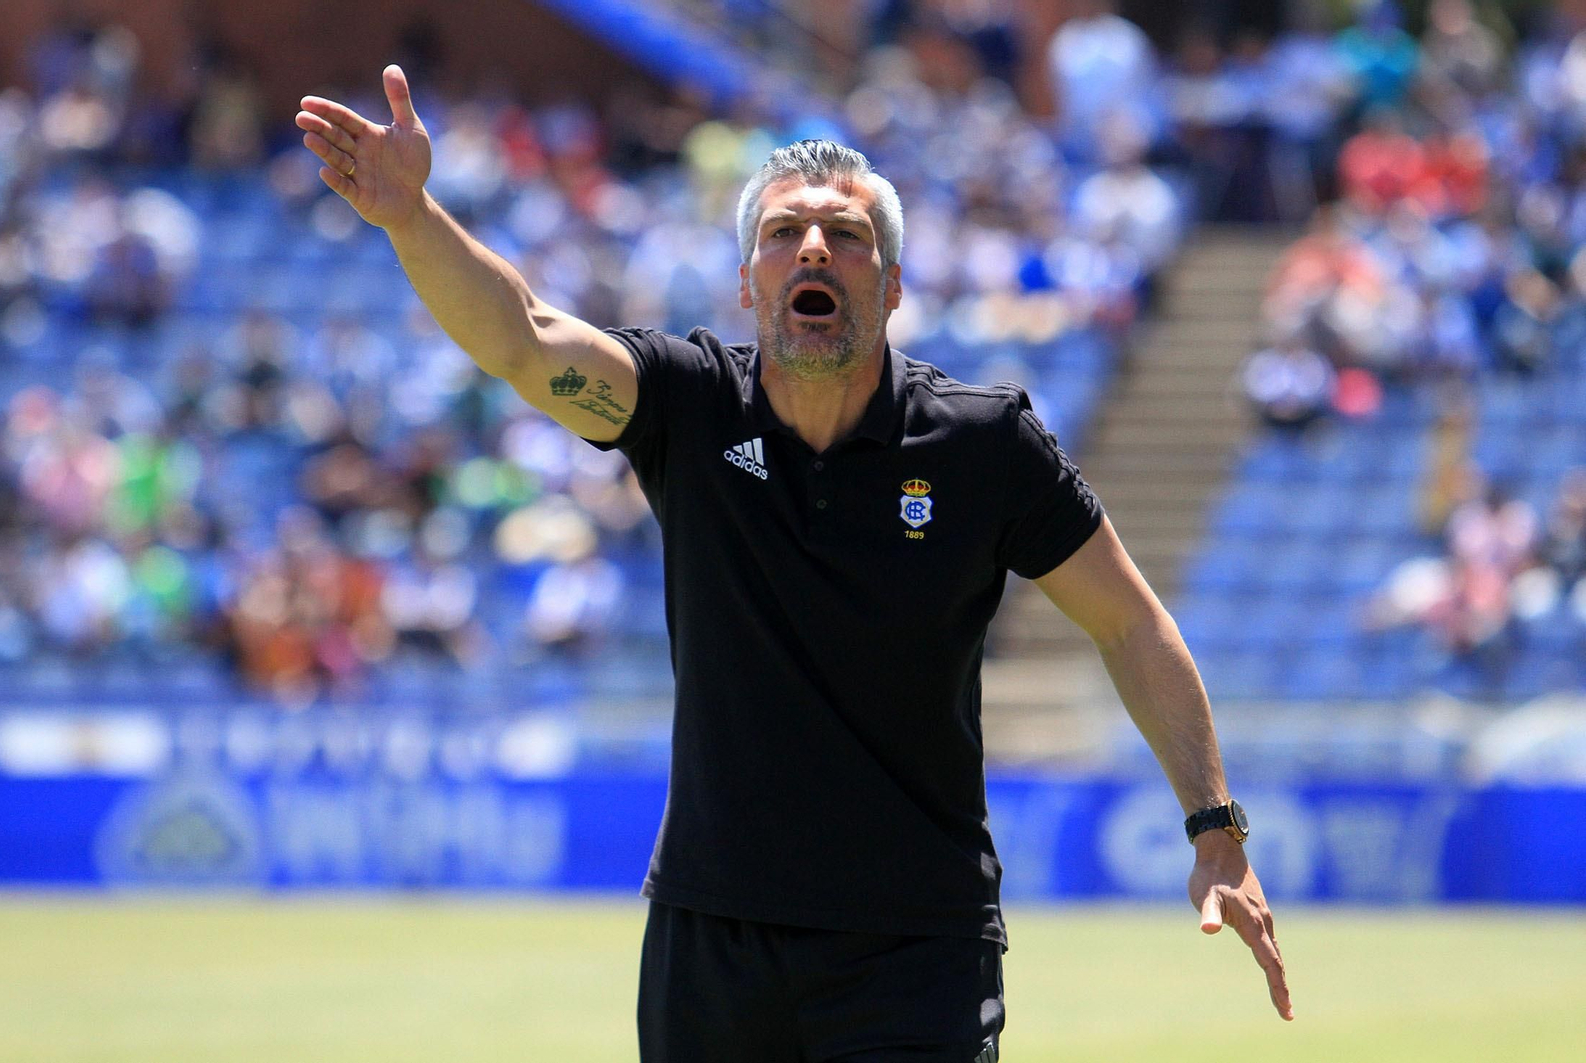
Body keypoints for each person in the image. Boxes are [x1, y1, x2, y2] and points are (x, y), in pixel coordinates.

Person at [296, 65, 1293, 1061]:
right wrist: (411, 216)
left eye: (848, 235)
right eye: (782, 232)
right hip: (713, 939)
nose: (813, 245)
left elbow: (1128, 620)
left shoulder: (985, 444)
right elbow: (522, 338)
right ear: (747, 281)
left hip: (918, 944)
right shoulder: (684, 407)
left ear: (892, 283)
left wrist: (1214, 824)